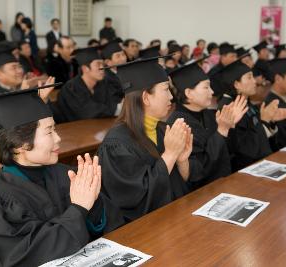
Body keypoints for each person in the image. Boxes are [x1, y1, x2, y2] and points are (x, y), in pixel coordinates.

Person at [0, 87, 106, 267]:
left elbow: (99, 227)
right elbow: (33, 255)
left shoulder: (64, 173)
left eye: (55, 129)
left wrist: (93, 201)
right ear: (20, 145)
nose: (58, 138)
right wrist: (79, 209)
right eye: (49, 131)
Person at [97, 56, 192, 228]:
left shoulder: (164, 130)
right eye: (165, 90)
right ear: (146, 98)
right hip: (140, 233)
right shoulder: (116, 145)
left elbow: (177, 189)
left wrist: (182, 160)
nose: (171, 96)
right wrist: (170, 155)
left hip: (173, 221)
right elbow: (137, 203)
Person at [167, 59, 247, 188]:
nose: (212, 92)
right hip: (200, 194)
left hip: (223, 183)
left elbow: (230, 153)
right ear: (189, 93)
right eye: (206, 87)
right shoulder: (178, 124)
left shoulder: (209, 115)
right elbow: (199, 170)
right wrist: (221, 131)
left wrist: (230, 126)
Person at [217, 60, 286, 170]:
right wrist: (265, 122)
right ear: (236, 84)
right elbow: (244, 150)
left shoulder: (244, 101)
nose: (255, 82)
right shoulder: (229, 108)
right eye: (249, 77)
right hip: (243, 171)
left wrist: (270, 121)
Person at [0, 48, 54, 137]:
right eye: (14, 68)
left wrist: (43, 100)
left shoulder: (29, 90)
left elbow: (51, 119)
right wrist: (23, 98)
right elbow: (7, 131)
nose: (20, 71)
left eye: (19, 66)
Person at [57, 47, 122, 122]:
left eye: (102, 64)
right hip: (73, 130)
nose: (102, 68)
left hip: (100, 127)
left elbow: (114, 101)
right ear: (85, 68)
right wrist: (116, 108)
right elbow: (88, 111)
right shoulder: (71, 88)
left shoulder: (104, 83)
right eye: (98, 64)